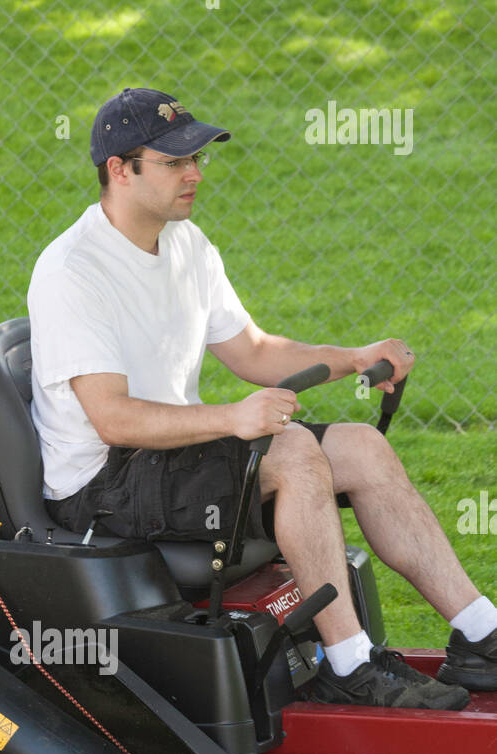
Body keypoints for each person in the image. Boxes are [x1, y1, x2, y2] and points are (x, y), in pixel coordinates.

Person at [27, 86, 497, 709]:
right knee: (293, 451)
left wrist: (352, 358)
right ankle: (348, 662)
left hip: (162, 458)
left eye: (197, 158)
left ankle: (480, 634)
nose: (194, 174)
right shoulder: (73, 272)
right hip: (103, 485)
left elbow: (252, 351)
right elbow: (112, 419)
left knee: (361, 447)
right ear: (119, 170)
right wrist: (234, 417)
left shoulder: (185, 244)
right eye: (173, 162)